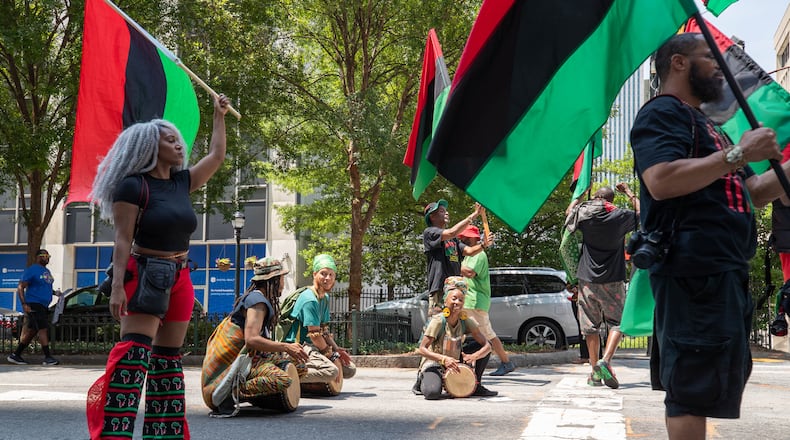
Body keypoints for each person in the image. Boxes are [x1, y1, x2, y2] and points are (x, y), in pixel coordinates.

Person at [630, 33, 784, 440]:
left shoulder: (709, 126)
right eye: (710, 57)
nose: (720, 67)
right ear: (678, 63)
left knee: (707, 381)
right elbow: (660, 180)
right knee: (690, 389)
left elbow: (752, 192)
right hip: (693, 271)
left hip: (723, 270)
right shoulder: (663, 113)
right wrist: (737, 155)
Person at [85, 93, 231, 439]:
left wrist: (219, 115)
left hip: (180, 276)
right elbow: (122, 240)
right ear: (151, 146)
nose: (179, 146)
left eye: (178, 140)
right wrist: (118, 286)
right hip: (144, 275)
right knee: (133, 360)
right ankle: (113, 435)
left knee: (167, 362)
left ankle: (163, 436)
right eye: (170, 140)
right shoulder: (133, 186)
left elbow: (217, 156)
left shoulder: (182, 183)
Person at [202, 257, 310, 417]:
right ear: (273, 279)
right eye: (282, 278)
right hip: (237, 368)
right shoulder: (257, 302)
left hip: (252, 361)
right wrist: (286, 347)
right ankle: (228, 393)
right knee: (284, 379)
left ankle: (259, 398)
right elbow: (251, 339)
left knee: (300, 368)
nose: (283, 282)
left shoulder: (259, 298)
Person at [571, 183, 639, 388]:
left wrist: (581, 193)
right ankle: (605, 360)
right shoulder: (619, 216)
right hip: (613, 279)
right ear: (611, 200)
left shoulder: (584, 214)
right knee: (618, 322)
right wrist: (629, 192)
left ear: (596, 198)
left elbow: (569, 212)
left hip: (587, 280)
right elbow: (644, 213)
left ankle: (594, 373)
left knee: (590, 327)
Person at [282, 254, 356, 391]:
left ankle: (309, 381)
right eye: (323, 274)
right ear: (315, 274)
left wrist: (337, 350)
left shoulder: (325, 297)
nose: (327, 278)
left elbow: (324, 331)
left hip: (315, 346)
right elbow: (315, 336)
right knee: (331, 371)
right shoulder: (310, 299)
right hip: (300, 346)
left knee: (350, 369)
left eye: (331, 275)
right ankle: (288, 377)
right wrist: (332, 356)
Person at [417, 276, 495, 399]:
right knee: (432, 393)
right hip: (435, 363)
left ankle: (477, 384)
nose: (457, 302)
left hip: (454, 362)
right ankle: (423, 380)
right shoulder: (438, 321)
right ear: (445, 300)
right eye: (454, 298)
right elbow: (422, 349)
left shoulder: (465, 321)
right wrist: (443, 359)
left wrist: (474, 356)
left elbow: (487, 345)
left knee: (481, 346)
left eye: (461, 300)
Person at [457, 225, 514, 376]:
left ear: (473, 238)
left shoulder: (478, 254)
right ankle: (462, 363)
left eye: (464, 237)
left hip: (474, 302)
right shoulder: (470, 254)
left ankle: (506, 362)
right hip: (469, 302)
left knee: (487, 335)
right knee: (462, 333)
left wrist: (452, 264)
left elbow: (469, 273)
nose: (461, 239)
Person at [8, 249, 62, 366]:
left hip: (43, 305)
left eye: (49, 256)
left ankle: (16, 355)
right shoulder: (32, 270)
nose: (47, 258)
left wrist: (54, 293)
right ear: (38, 257)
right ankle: (48, 357)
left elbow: (44, 287)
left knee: (33, 330)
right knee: (43, 328)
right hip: (34, 303)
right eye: (44, 256)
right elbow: (21, 287)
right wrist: (24, 304)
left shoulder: (46, 271)